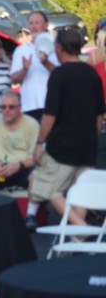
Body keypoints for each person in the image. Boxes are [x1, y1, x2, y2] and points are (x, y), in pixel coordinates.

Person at [26, 29, 105, 230]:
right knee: (79, 193)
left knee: (48, 189)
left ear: (60, 48)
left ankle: (82, 229)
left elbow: (50, 115)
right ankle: (77, 238)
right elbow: (99, 114)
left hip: (62, 146)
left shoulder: (59, 75)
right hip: (88, 145)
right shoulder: (92, 73)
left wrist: (39, 142)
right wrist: (92, 137)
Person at [10, 11, 60, 123]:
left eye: (37, 23)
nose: (33, 26)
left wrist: (46, 62)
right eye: (31, 23)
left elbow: (61, 75)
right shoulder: (21, 50)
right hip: (29, 107)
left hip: (53, 107)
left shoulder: (56, 48)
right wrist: (25, 69)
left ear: (45, 25)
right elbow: (13, 79)